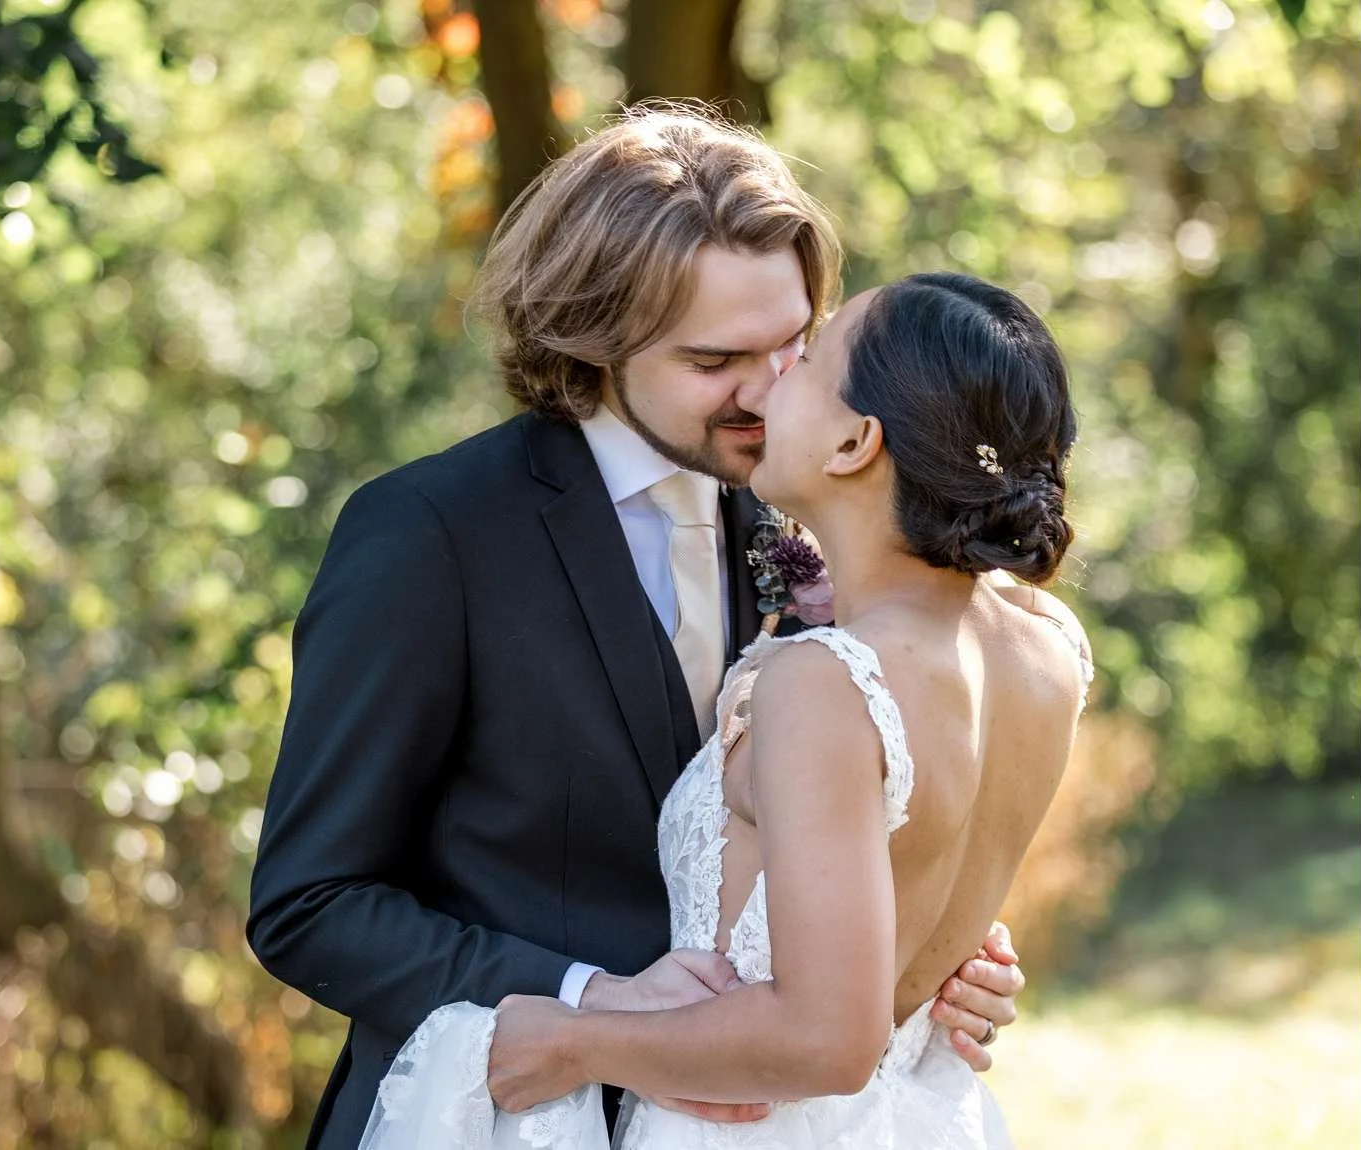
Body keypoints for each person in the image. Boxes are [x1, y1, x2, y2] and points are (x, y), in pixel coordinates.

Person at [245, 107, 1025, 1150]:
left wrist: (928, 950)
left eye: (793, 345)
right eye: (716, 361)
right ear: (593, 339)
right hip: (493, 1117)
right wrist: (589, 996)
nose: (769, 392)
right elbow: (312, 903)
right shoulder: (429, 534)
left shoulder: (824, 521)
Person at [361, 273, 1089, 1148]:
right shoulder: (1047, 645)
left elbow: (825, 1037)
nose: (768, 382)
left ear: (856, 441)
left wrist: (571, 1042)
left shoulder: (823, 681)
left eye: (807, 361)